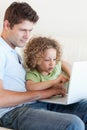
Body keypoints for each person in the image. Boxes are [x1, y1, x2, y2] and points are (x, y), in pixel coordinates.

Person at [0, 1, 86, 130]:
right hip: (11, 112)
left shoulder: (15, 50)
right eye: (23, 30)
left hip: (36, 104)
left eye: (30, 30)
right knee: (73, 124)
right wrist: (43, 93)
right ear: (7, 25)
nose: (27, 36)